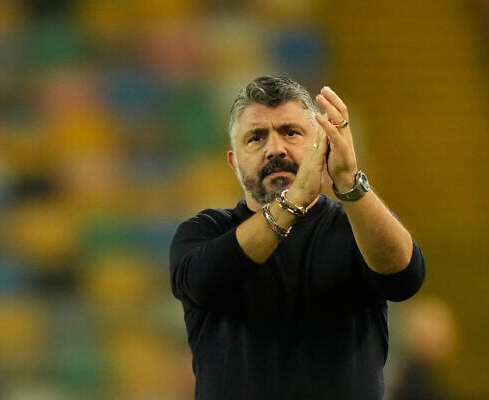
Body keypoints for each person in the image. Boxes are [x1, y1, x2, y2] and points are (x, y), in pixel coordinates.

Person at [169, 76, 426, 400]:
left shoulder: (356, 226)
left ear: (322, 145)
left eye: (290, 132)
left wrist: (349, 181)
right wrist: (294, 201)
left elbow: (405, 278)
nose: (275, 149)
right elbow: (201, 282)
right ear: (234, 162)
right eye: (256, 138)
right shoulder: (205, 231)